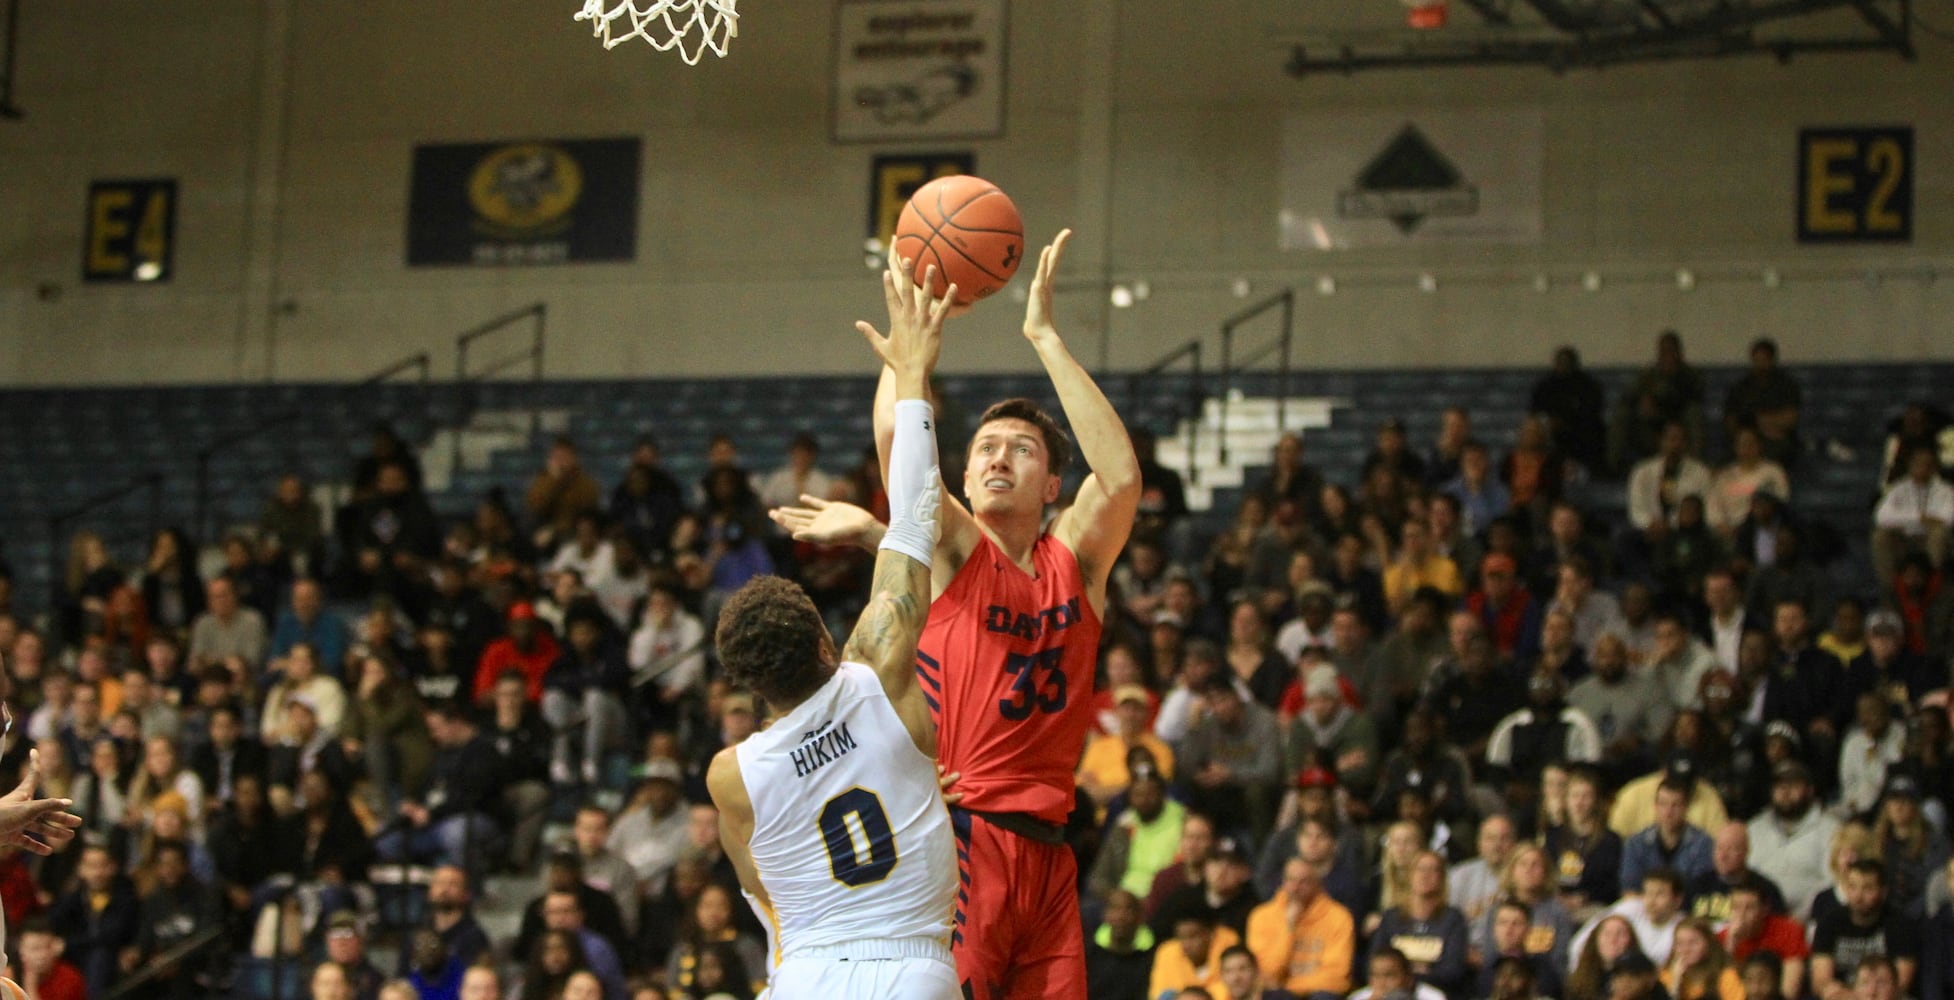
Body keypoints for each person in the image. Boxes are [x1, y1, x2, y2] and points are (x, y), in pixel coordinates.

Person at [773, 232, 1140, 999]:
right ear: (965, 480)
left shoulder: (1077, 562)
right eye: (985, 448)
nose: (1001, 457)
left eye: (1023, 450)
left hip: (1050, 854)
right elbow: (895, 446)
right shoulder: (953, 553)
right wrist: (907, 362)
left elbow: (1121, 474)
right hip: (965, 838)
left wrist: (1043, 337)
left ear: (1051, 488)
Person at [705, 261, 961, 1000]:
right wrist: (912, 376)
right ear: (826, 639)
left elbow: (764, 895)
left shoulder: (731, 777)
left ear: (748, 684)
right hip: (912, 966)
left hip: (806, 973)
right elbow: (916, 515)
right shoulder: (878, 668)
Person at [1808, 860, 1920, 1000]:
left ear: (1883, 891)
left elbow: (1901, 984)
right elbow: (1821, 983)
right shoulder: (1829, 922)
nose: (1858, 896)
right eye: (1852, 887)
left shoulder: (1901, 924)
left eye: (1868, 888)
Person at [1244, 858, 1351, 998]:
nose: (1295, 887)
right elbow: (1265, 972)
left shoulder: (1338, 916)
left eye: (1303, 882)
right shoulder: (1261, 916)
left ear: (1317, 885)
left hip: (1318, 994)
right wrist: (1288, 929)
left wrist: (1290, 988)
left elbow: (1337, 976)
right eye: (1291, 880)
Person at [1370, 850, 1470, 999]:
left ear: (1442, 877)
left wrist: (1405, 975)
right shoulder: (1391, 917)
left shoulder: (1453, 919)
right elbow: (1374, 960)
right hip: (1387, 991)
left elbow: (1452, 972)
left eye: (1433, 870)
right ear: (1410, 875)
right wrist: (1422, 970)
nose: (1425, 875)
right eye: (1420, 869)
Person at [1874, 446, 1953, 585]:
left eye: (1927, 464)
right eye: (1918, 464)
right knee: (1880, 536)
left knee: (1940, 533)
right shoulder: (1899, 488)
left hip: (1930, 538)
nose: (1922, 468)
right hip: (1904, 538)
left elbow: (1948, 518)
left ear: (1934, 467)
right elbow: (1881, 516)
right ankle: (1891, 586)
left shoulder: (1945, 490)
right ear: (1910, 465)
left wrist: (1905, 519)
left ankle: (1933, 583)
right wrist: (1918, 518)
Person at [1718, 879, 1807, 1000]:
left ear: (1765, 909)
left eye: (1749, 908)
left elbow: (1790, 990)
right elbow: (1720, 987)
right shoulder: (1723, 938)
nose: (1741, 914)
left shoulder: (1788, 930)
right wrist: (1731, 944)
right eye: (1736, 907)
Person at [1150, 912, 1239, 1000]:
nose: (1186, 944)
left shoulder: (1229, 955)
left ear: (1209, 935)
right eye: (1182, 938)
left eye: (1192, 936)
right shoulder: (1168, 955)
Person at [1086, 889, 1155, 1000]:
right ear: (1105, 915)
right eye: (1115, 908)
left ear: (1140, 916)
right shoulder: (1089, 955)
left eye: (1129, 909)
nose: (1121, 916)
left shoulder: (1153, 958)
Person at [1566, 915, 1650, 1000]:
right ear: (1595, 940)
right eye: (1607, 934)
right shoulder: (1579, 981)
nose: (1613, 940)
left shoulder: (1645, 980)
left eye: (1620, 934)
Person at [1662, 918, 1743, 1000]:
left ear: (1709, 944)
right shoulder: (1668, 975)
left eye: (1693, 942)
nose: (1685, 950)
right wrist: (1675, 984)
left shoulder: (1726, 976)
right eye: (1680, 944)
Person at [1349, 947, 1447, 1000]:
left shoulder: (1432, 997)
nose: (1381, 983)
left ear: (1408, 978)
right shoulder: (1358, 997)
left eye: (1389, 976)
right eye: (1375, 976)